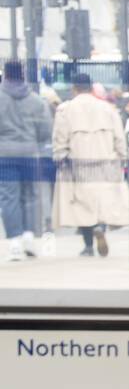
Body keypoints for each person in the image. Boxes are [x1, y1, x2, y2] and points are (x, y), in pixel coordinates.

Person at [52, 71, 129, 258]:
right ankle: (100, 227)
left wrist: (60, 156)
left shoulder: (65, 110)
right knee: (101, 201)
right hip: (106, 162)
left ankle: (88, 246)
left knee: (82, 205)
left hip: (79, 163)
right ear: (92, 87)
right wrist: (122, 157)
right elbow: (119, 137)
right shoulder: (108, 109)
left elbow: (60, 138)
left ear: (74, 88)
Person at [0, 60, 52, 261]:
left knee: (8, 196)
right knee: (30, 195)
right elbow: (45, 129)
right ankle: (29, 236)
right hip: (30, 153)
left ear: (5, 75)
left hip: (5, 154)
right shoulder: (36, 101)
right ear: (23, 75)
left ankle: (14, 241)